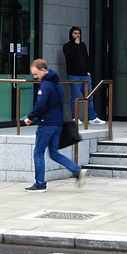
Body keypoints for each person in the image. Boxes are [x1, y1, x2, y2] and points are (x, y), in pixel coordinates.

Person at [23, 58, 87, 191]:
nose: (35, 77)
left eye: (36, 74)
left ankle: (40, 183)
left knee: (38, 153)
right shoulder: (56, 82)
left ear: (43, 70)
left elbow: (41, 104)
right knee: (54, 153)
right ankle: (76, 170)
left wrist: (31, 117)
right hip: (58, 123)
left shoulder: (46, 84)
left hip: (47, 124)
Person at [63, 26, 105, 125]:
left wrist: (88, 71)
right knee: (76, 97)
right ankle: (75, 117)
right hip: (74, 76)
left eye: (79, 33)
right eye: (75, 33)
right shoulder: (67, 46)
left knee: (89, 97)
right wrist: (75, 45)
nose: (77, 35)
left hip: (85, 75)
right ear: (71, 34)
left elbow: (87, 58)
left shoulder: (83, 45)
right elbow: (69, 57)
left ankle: (92, 117)